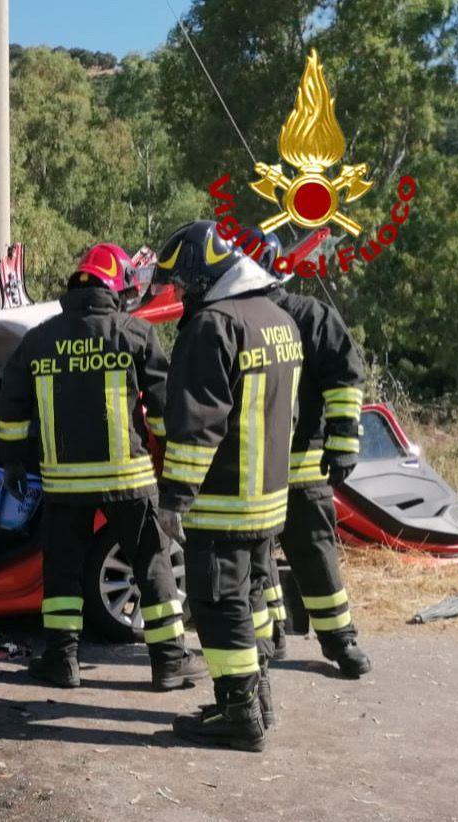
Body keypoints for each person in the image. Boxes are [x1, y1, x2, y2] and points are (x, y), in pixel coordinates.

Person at [0, 243, 206, 691]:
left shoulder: (40, 339)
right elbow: (164, 407)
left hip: (63, 484)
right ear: (115, 287)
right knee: (152, 564)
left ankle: (62, 661)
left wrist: (15, 462)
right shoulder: (134, 333)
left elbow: (11, 407)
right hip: (128, 480)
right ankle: (170, 661)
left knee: (63, 572)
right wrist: (171, 454)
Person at [152, 221, 302, 752]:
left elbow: (198, 424)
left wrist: (175, 499)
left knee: (219, 604)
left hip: (222, 501)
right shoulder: (278, 318)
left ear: (204, 273)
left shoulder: (213, 326)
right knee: (253, 598)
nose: (184, 296)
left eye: (185, 285)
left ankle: (239, 716)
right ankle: (256, 701)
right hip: (268, 499)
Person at [245, 228, 373, 678]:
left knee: (301, 558)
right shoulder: (247, 318)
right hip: (264, 470)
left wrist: (342, 444)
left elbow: (345, 379)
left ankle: (339, 641)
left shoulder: (305, 315)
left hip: (284, 469)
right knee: (276, 560)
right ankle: (277, 640)